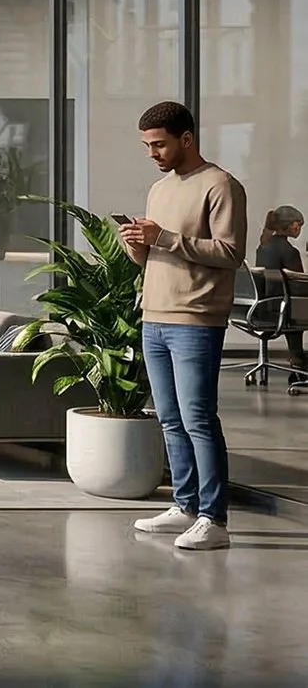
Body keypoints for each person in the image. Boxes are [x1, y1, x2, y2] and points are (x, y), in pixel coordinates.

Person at [122, 101, 246, 552]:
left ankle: (214, 518)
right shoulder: (158, 190)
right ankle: (185, 505)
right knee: (170, 419)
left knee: (198, 419)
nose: (152, 153)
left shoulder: (221, 185)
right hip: (153, 316)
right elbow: (156, 256)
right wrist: (139, 246)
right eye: (147, 146)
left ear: (186, 138)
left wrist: (165, 238)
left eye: (159, 144)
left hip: (196, 319)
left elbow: (231, 254)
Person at [255, 205, 305, 368]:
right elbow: (298, 287)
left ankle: (297, 357)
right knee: (299, 305)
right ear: (294, 225)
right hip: (282, 310)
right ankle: (297, 358)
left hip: (262, 309)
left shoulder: (263, 247)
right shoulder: (290, 251)